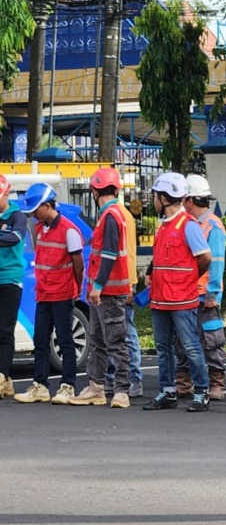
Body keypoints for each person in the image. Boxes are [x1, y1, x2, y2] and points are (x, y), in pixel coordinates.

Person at [142, 173, 213, 412]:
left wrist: (187, 279)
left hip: (182, 299)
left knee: (191, 346)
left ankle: (202, 392)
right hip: (161, 299)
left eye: (154, 195)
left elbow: (205, 257)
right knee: (163, 347)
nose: (152, 200)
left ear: (163, 198)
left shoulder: (187, 225)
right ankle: (168, 391)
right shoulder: (164, 226)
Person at [67, 168, 133, 408]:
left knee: (115, 341)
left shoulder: (111, 216)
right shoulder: (110, 214)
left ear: (94, 191)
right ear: (115, 189)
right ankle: (96, 387)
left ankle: (121, 390)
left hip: (108, 293)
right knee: (97, 340)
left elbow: (109, 254)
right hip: (102, 293)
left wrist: (97, 287)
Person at [13, 183, 82, 405]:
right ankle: (40, 385)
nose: (32, 214)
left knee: (65, 340)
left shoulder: (69, 230)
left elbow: (78, 265)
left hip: (62, 294)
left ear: (47, 205)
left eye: (35, 210)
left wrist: (76, 289)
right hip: (44, 293)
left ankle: (68, 386)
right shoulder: (41, 228)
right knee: (40, 340)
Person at [174, 174, 226, 401]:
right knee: (184, 339)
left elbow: (216, 261)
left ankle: (217, 383)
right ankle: (184, 382)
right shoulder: (189, 224)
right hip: (187, 293)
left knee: (211, 340)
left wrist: (212, 293)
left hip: (205, 295)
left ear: (189, 200)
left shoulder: (212, 226)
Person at [105, 197, 143, 399]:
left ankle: (133, 379)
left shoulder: (118, 216)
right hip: (118, 282)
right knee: (116, 333)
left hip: (123, 282)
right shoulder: (119, 214)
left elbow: (125, 253)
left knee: (125, 333)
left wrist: (129, 283)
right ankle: (118, 377)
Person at [0, 175, 26, 400]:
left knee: (5, 329)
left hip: (10, 278)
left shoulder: (17, 215)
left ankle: (2, 374)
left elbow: (15, 237)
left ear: (6, 194)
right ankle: (6, 382)